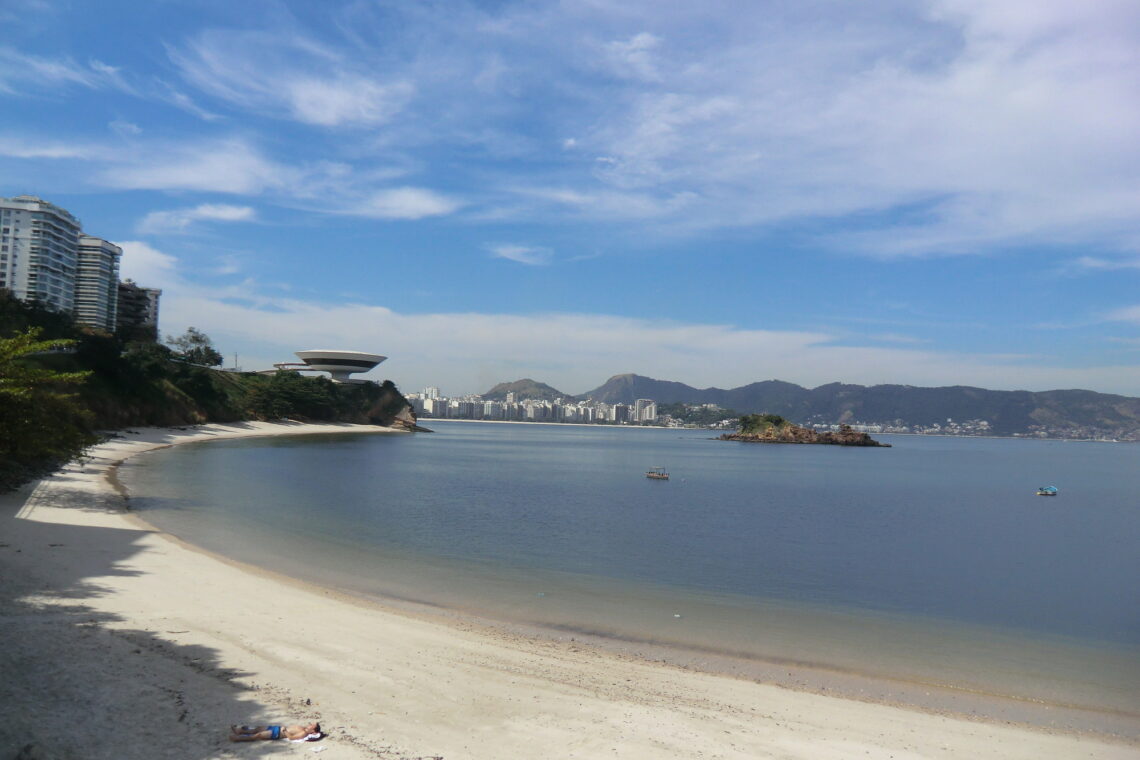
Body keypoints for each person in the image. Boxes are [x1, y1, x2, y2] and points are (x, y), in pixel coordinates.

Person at [229, 722, 322, 742]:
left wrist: (285, 731)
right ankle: (239, 731)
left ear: (313, 731)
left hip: (278, 733)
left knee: (258, 735)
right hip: (276, 728)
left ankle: (238, 739)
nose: (309, 724)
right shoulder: (303, 727)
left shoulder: (304, 733)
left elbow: (291, 738)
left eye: (311, 725)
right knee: (257, 728)